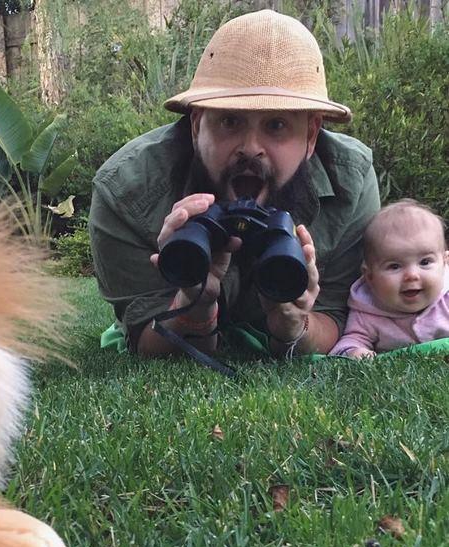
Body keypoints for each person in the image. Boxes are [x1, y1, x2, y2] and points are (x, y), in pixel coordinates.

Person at [89, 9, 380, 359]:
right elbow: (143, 336)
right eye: (229, 121)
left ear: (312, 135)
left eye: (276, 125)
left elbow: (335, 317)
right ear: (196, 125)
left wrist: (294, 323)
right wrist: (192, 307)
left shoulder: (350, 182)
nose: (250, 148)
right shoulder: (126, 191)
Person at [329, 200, 449, 358]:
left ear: (445, 263)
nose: (412, 275)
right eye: (395, 266)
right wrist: (355, 351)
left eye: (424, 262)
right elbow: (351, 341)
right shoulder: (367, 309)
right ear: (370, 276)